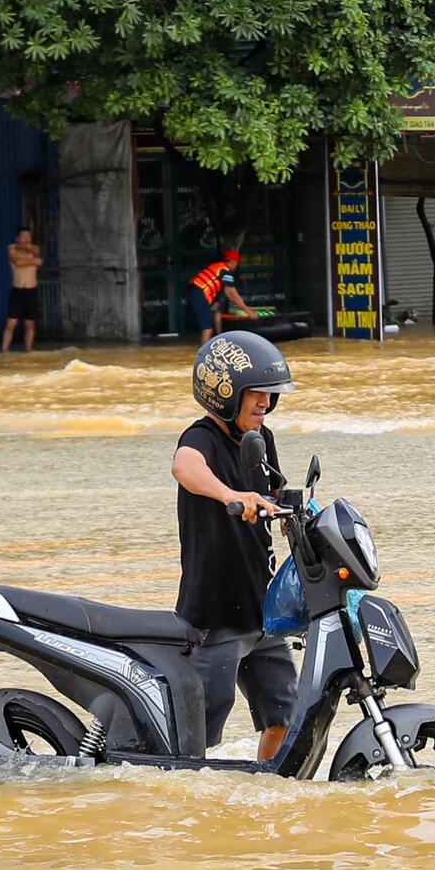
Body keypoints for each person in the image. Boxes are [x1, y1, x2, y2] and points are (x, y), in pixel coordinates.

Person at [171, 331, 300, 760]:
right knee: (199, 730)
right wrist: (230, 496)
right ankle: (192, 802)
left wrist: (297, 516)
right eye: (256, 393)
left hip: (263, 612)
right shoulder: (200, 439)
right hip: (215, 614)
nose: (265, 403)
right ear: (225, 394)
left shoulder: (261, 441)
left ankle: (268, 787)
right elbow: (184, 467)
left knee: (285, 714)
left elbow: (275, 496)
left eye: (270, 395)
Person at [186, 248, 251, 345]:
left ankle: (220, 337)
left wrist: (241, 306)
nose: (237, 265)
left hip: (196, 292)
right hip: (200, 294)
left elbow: (229, 295)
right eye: (237, 262)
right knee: (207, 328)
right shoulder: (225, 271)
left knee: (217, 308)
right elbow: (234, 296)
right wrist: (249, 312)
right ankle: (204, 353)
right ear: (233, 262)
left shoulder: (218, 267)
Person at [2, 227, 42, 352]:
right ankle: (4, 350)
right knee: (10, 324)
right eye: (23, 237)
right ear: (17, 238)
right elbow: (18, 262)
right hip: (18, 291)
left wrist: (28, 259)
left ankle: (28, 350)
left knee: (30, 325)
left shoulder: (34, 249)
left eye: (28, 237)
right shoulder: (11, 248)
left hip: (32, 291)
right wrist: (33, 261)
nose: (26, 239)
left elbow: (35, 254)